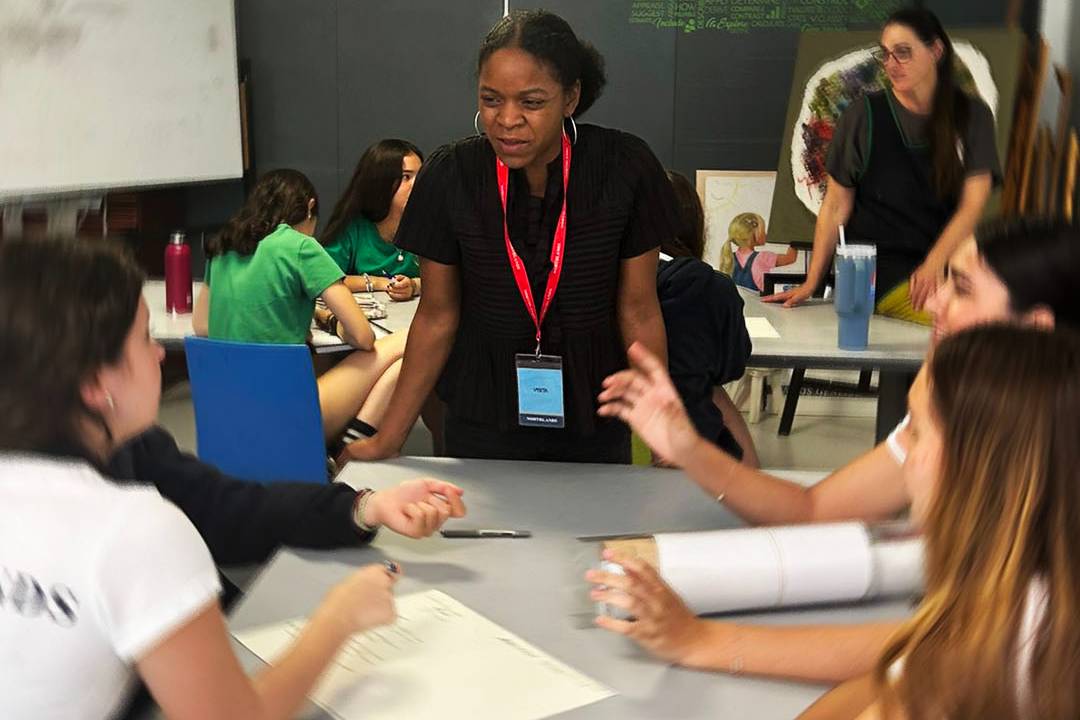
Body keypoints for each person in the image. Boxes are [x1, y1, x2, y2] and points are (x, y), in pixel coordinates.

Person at [587, 217, 1079, 683]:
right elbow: (815, 509)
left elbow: (944, 648)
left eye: (963, 288)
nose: (932, 303)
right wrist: (687, 447)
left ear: (1034, 327)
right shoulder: (955, 409)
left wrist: (706, 642)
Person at [0, 237, 414, 719]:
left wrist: (362, 507)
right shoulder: (133, 527)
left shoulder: (130, 457)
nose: (159, 355)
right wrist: (339, 618)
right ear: (95, 384)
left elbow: (229, 508)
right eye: (142, 339)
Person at [341, 10, 677, 464]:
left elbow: (638, 310)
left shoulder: (625, 169)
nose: (507, 120)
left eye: (532, 102)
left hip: (592, 415)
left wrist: (663, 441)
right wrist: (389, 438)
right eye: (491, 99)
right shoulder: (452, 175)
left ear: (571, 97)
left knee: (590, 533)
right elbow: (437, 316)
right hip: (482, 415)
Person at [798, 327, 1080, 719]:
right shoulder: (1035, 606)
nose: (905, 457)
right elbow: (888, 679)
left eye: (914, 431)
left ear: (971, 466)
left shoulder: (980, 655)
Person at [764, 7, 1000, 323]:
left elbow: (973, 205)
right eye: (885, 55)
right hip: (878, 272)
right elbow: (835, 206)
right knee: (971, 325)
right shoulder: (864, 115)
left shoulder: (972, 114)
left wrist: (934, 263)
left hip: (945, 265)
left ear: (936, 51)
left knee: (1005, 317)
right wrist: (811, 283)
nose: (891, 64)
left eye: (902, 53)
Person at [193, 169, 405, 443]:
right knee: (406, 345)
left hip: (229, 414)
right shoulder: (301, 246)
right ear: (310, 208)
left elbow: (201, 325)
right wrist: (331, 321)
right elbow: (362, 337)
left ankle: (346, 441)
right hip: (287, 416)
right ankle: (351, 443)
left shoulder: (224, 245)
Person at [660, 170, 757, 464]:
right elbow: (731, 367)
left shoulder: (592, 279)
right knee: (711, 391)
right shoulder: (713, 288)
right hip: (693, 435)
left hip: (602, 426)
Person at [320, 139, 425, 302]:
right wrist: (378, 282)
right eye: (406, 177)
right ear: (381, 181)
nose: (418, 184)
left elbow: (451, 280)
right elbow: (323, 278)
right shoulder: (352, 227)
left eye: (421, 175)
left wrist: (413, 285)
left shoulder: (430, 225)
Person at [719, 211, 798, 293]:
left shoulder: (730, 258)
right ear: (755, 234)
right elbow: (790, 258)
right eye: (763, 231)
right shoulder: (763, 257)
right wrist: (795, 236)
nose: (766, 234)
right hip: (757, 304)